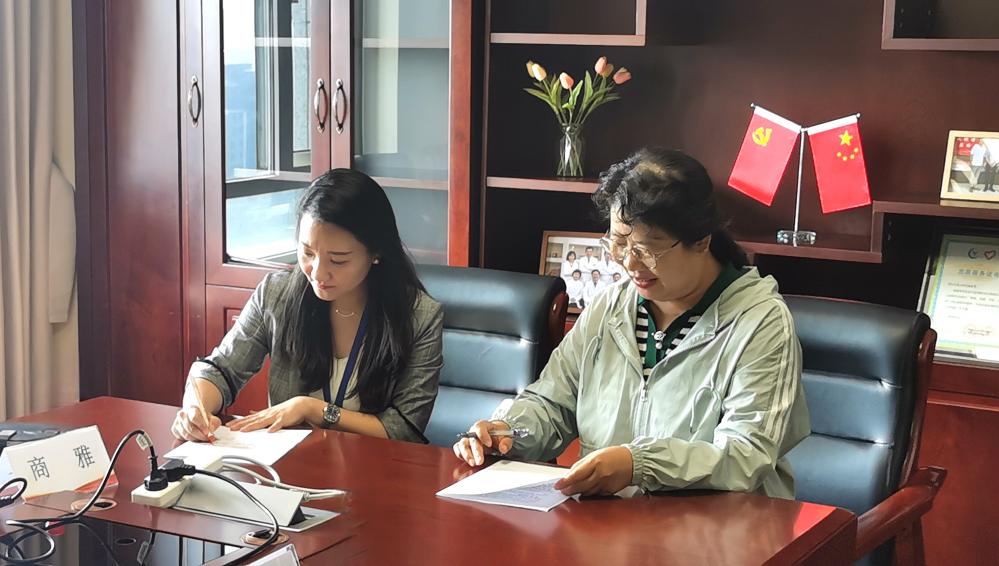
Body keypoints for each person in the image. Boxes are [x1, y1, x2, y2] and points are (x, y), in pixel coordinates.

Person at [454, 148, 809, 499]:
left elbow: (745, 455)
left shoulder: (760, 322)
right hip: (610, 522)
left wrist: (639, 464)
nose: (629, 263)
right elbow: (554, 403)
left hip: (721, 526)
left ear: (701, 242)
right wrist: (508, 432)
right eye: (619, 243)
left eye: (647, 250)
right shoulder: (610, 307)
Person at [172, 169, 443, 443]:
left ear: (376, 253)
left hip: (370, 464)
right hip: (288, 462)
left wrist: (312, 409)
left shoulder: (419, 317)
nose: (318, 273)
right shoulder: (276, 294)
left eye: (338, 260)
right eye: (308, 253)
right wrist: (196, 408)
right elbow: (220, 369)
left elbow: (404, 430)